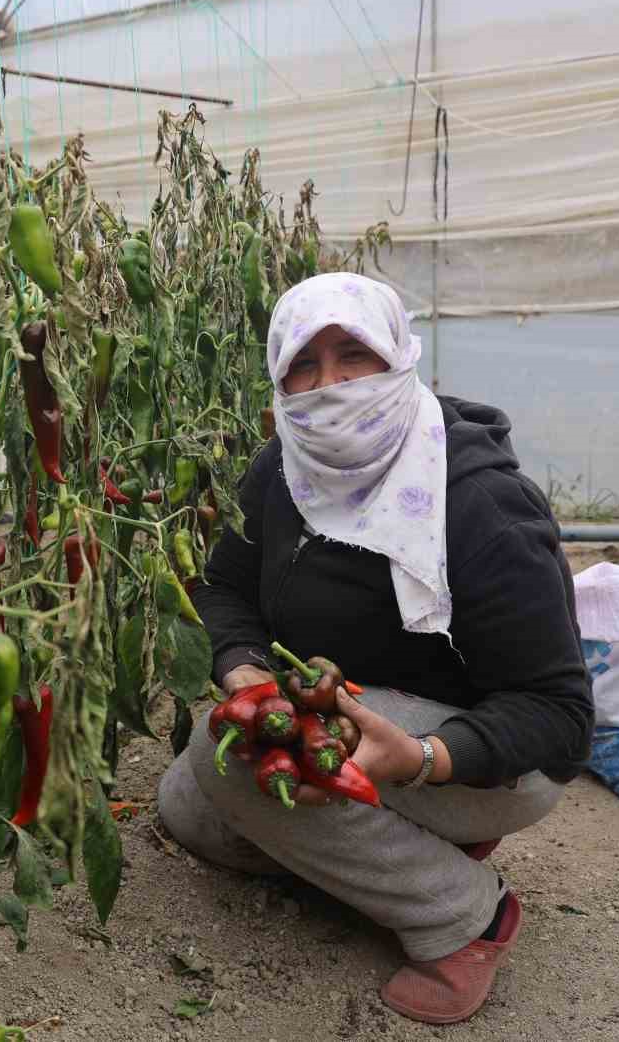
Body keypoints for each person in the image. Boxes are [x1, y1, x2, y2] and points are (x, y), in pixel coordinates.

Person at [157, 272, 593, 1025]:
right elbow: (223, 584)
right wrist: (245, 670)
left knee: (220, 760)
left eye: (353, 354)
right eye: (303, 363)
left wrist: (422, 759)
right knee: (188, 809)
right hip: (345, 714)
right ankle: (403, 842)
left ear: (397, 357)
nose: (330, 385)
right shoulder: (284, 467)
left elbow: (560, 717)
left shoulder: (479, 503)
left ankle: (466, 916)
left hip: (485, 757)